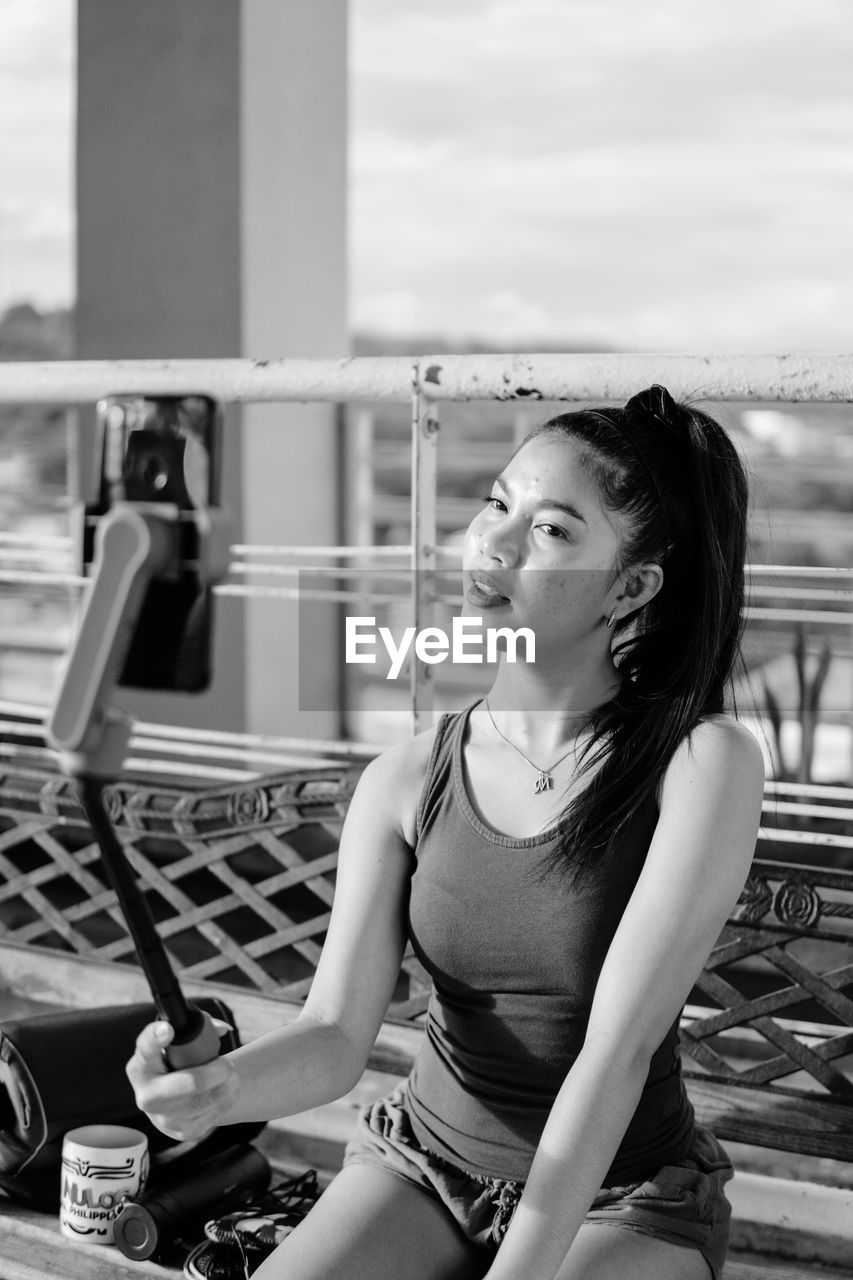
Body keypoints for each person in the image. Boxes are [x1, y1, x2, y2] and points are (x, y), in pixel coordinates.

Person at [127, 384, 766, 1280]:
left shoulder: (702, 763)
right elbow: (336, 1035)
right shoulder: (404, 775)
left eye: (551, 530)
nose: (493, 543)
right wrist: (220, 1089)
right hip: (421, 1165)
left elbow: (615, 1053)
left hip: (621, 1196)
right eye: (497, 504)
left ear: (630, 587)